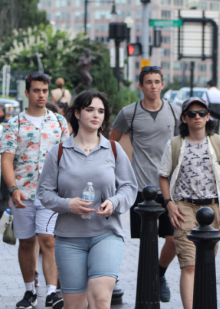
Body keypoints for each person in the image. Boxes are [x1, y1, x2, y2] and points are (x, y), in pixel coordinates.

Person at [37, 91, 137, 309]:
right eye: (90, 109)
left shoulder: (113, 148)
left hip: (106, 233)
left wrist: (114, 202)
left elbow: (129, 187)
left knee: (101, 299)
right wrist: (68, 204)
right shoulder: (60, 152)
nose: (96, 115)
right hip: (69, 238)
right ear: (77, 113)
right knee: (75, 306)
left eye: (101, 111)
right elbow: (44, 193)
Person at [109, 66, 180, 303]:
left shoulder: (174, 111)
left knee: (173, 240)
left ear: (162, 85)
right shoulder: (129, 113)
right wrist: (118, 171)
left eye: (157, 81)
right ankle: (147, 287)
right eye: (148, 82)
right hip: (142, 188)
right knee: (146, 241)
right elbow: (111, 142)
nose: (153, 86)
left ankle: (159, 274)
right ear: (140, 86)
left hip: (171, 189)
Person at [158, 97, 220, 309]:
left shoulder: (219, 143)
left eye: (201, 113)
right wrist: (170, 204)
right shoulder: (175, 144)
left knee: (205, 264)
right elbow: (163, 176)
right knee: (190, 264)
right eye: (192, 113)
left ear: (208, 116)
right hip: (184, 208)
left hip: (212, 209)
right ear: (184, 118)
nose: (197, 117)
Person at [1, 72, 69, 309]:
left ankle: (52, 292)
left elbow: (68, 158)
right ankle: (30, 290)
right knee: (27, 242)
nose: (41, 95)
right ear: (27, 92)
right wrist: (12, 190)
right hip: (23, 193)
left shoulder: (59, 122)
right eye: (36, 90)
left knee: (49, 240)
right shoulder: (14, 124)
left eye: (44, 90)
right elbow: (7, 160)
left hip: (52, 193)